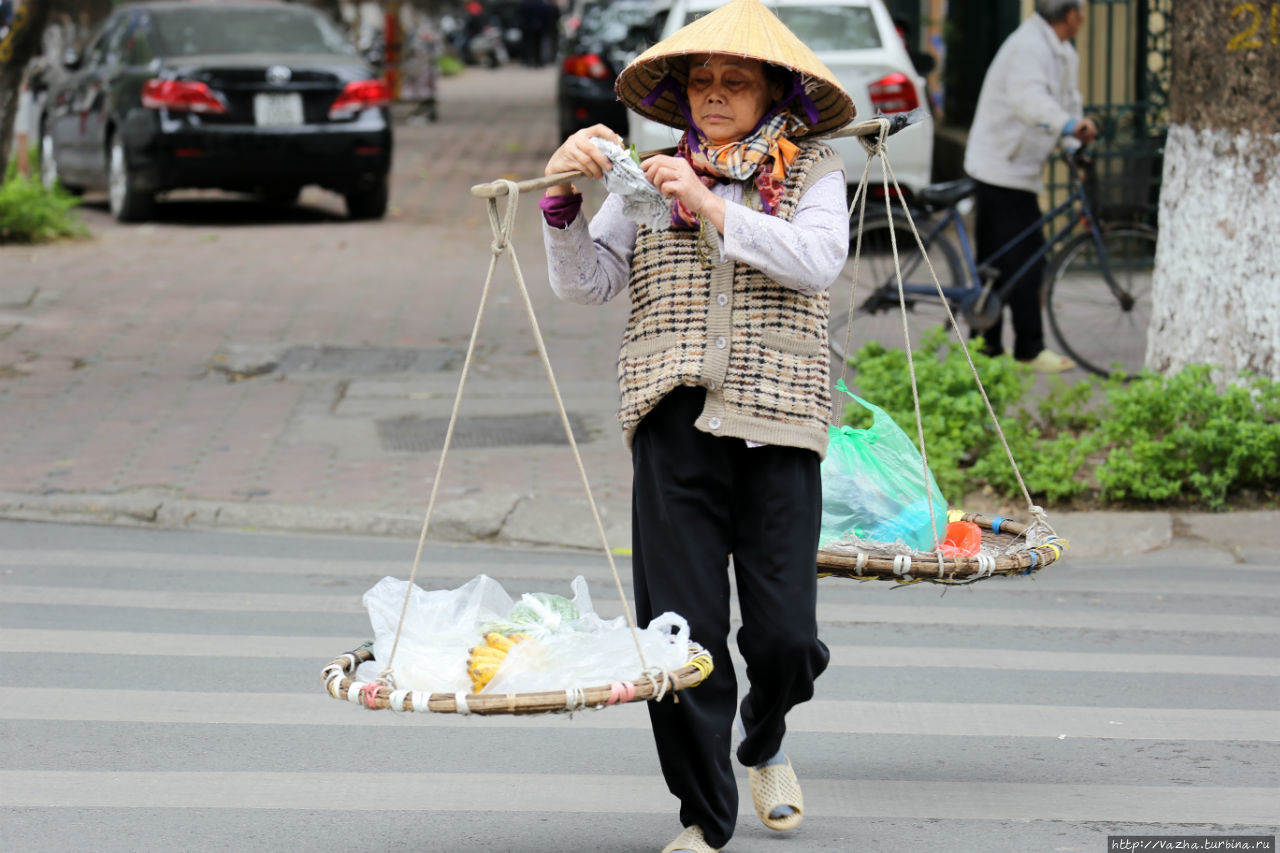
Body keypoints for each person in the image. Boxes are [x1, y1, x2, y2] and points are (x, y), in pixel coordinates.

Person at [537, 0, 854, 850]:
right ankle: (704, 817)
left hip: (780, 423)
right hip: (673, 422)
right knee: (683, 638)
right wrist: (564, 196)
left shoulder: (814, 170)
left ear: (772, 92)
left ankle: (767, 738)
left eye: (734, 81)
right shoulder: (649, 174)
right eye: (700, 82)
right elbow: (587, 283)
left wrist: (715, 206)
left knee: (785, 637)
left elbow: (820, 259)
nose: (714, 95)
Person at [963, 0, 1098, 373]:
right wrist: (1070, 127)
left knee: (1015, 261)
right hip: (998, 166)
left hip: (1020, 168)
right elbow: (1030, 103)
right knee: (1016, 261)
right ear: (1070, 15)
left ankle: (998, 348)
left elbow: (1067, 104)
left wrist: (1073, 145)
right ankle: (1021, 349)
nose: (1084, 17)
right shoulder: (1028, 47)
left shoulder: (1063, 52)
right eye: (1082, 10)